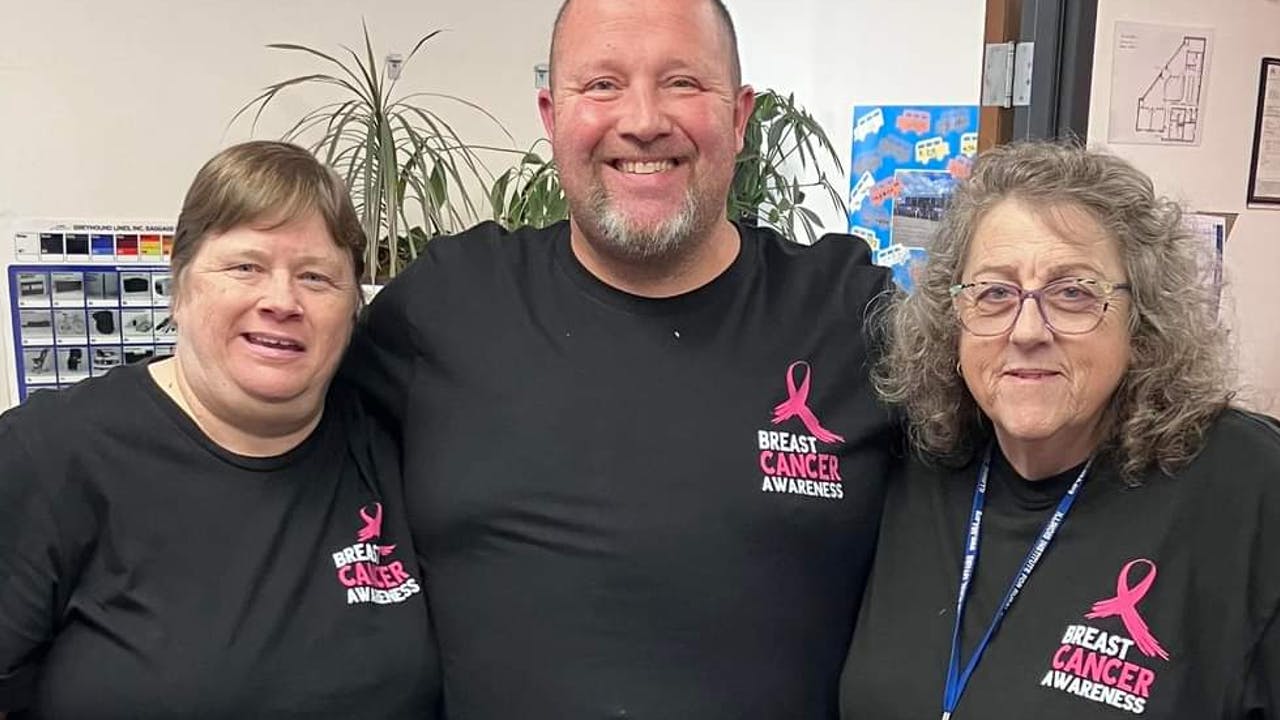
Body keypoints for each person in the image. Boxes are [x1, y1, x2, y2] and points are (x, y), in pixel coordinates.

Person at [343, 0, 897, 717]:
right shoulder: (447, 305)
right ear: (550, 115)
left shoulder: (849, 314)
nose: (642, 120)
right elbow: (275, 446)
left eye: (683, 83)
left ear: (739, 115)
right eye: (601, 85)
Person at [840, 141, 1280, 719]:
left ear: (1141, 318)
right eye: (995, 292)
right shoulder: (915, 460)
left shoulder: (1249, 487)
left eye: (1073, 293)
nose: (1027, 329)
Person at [0, 141, 439, 718]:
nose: (281, 300)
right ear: (178, 287)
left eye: (316, 277)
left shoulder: (392, 444)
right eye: (245, 267)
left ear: (353, 309)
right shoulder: (51, 454)